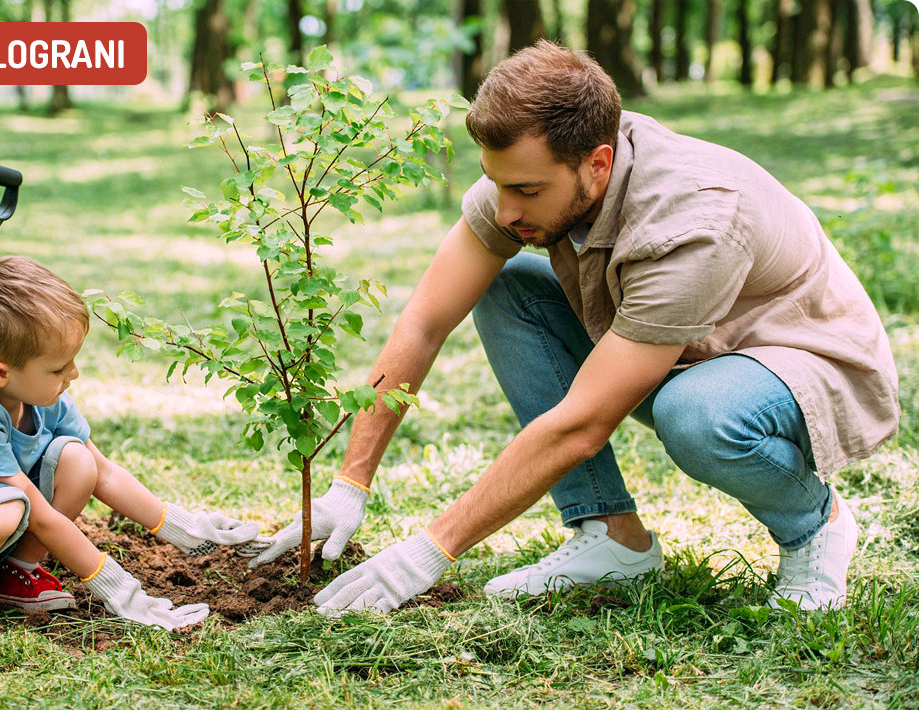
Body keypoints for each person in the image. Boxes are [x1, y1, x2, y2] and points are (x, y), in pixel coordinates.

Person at [252, 41, 899, 614]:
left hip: (800, 363)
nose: (506, 211)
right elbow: (424, 321)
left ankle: (815, 525)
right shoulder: (524, 179)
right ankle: (612, 539)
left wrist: (429, 550)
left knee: (695, 413)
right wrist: (349, 483)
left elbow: (584, 424)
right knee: (508, 290)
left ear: (597, 162)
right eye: (495, 183)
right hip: (682, 344)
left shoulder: (692, 221)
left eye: (527, 192)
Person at [0, 256, 264, 649]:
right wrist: (119, 589)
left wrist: (183, 528)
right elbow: (41, 517)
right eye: (59, 367)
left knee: (76, 461)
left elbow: (103, 473)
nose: (73, 373)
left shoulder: (39, 394)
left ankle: (13, 576)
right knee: (8, 507)